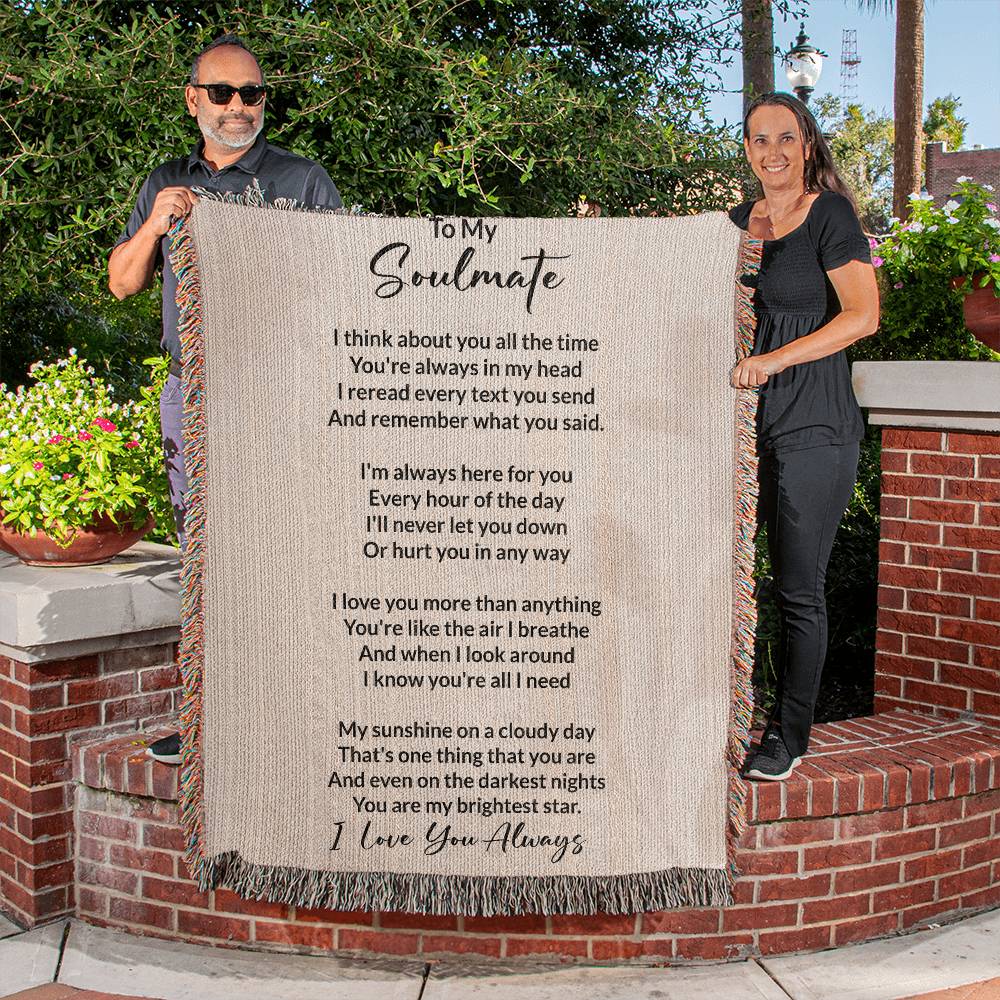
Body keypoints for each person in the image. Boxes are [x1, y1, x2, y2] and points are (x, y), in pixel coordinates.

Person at [109, 34, 343, 765]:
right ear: (193, 99)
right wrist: (156, 221)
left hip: (278, 393)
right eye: (222, 92)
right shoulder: (164, 184)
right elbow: (122, 283)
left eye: (251, 93)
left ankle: (290, 725)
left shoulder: (303, 182)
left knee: (285, 553)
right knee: (204, 558)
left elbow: (342, 288)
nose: (238, 107)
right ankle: (207, 725)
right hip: (196, 395)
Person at [728, 92, 879, 781]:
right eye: (760, 140)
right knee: (727, 582)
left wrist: (774, 360)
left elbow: (863, 317)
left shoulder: (829, 215)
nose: (774, 152)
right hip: (742, 431)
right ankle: (724, 715)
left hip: (814, 427)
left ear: (808, 144)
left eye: (786, 138)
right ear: (749, 149)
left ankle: (786, 739)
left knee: (797, 590)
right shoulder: (738, 223)